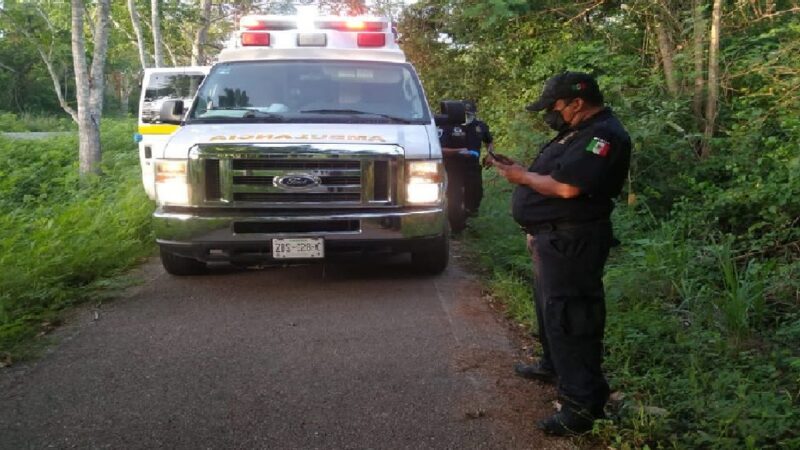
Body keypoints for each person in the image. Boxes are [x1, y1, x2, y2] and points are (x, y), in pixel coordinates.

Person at [485, 72, 631, 436]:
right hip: (554, 239)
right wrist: (519, 170)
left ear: (577, 103)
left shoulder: (603, 136)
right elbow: (553, 175)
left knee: (572, 317)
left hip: (574, 242)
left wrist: (522, 178)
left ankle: (582, 406)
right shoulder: (576, 132)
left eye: (554, 107)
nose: (550, 113)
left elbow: (567, 187)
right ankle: (553, 364)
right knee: (552, 311)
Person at [461, 100, 494, 217]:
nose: (466, 117)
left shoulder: (480, 126)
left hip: (473, 165)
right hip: (455, 164)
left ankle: (472, 213)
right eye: (464, 114)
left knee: (476, 192)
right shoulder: (453, 126)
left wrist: (490, 154)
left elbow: (489, 141)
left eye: (469, 114)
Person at [438, 118, 470, 233]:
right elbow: (440, 149)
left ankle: (461, 222)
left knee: (463, 196)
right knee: (454, 196)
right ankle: (455, 227)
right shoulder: (443, 128)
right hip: (449, 167)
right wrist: (459, 151)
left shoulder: (466, 128)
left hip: (465, 167)